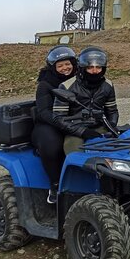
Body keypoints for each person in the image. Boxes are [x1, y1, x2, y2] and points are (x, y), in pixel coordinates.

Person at [49, 47, 119, 203]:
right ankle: (75, 195)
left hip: (100, 126)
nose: (94, 71)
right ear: (82, 67)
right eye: (90, 67)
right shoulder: (67, 87)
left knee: (119, 153)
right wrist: (82, 131)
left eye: (98, 67)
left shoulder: (108, 85)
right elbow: (59, 118)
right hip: (74, 131)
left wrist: (112, 127)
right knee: (76, 157)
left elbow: (112, 111)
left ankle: (117, 188)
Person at [31, 46, 78, 204]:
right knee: (53, 146)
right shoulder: (45, 84)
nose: (65, 68)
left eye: (68, 64)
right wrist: (63, 124)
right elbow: (44, 112)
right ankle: (55, 184)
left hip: (74, 120)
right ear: (53, 68)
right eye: (60, 65)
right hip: (48, 123)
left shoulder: (80, 79)